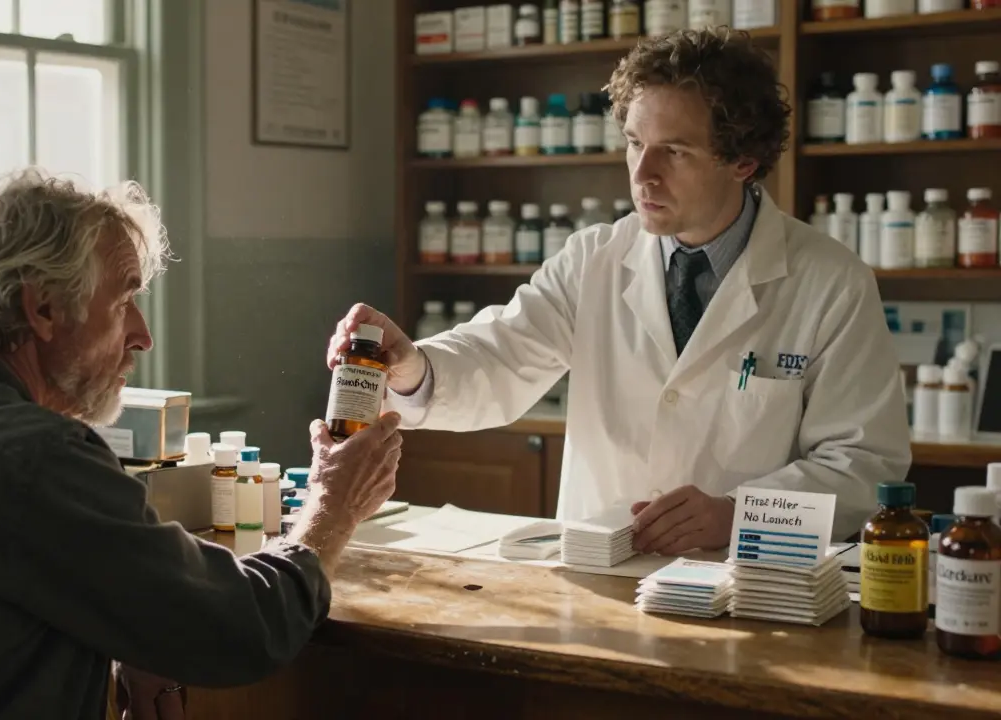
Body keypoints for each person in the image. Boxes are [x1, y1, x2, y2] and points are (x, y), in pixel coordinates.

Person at [0, 169, 402, 720]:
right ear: (41, 310)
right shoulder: (30, 455)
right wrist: (329, 509)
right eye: (125, 301)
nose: (143, 336)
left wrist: (121, 646)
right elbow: (244, 631)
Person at [328, 28, 910, 555]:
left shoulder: (830, 281)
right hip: (596, 575)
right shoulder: (595, 258)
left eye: (674, 151)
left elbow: (860, 465)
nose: (642, 173)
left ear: (744, 161)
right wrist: (412, 366)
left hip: (745, 585)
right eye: (635, 142)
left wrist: (739, 515)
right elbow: (503, 352)